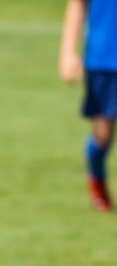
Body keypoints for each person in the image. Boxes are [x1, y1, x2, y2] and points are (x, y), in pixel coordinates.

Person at [61, 0, 116, 211]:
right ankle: (97, 175)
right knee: (103, 135)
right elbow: (77, 4)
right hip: (103, 60)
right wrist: (67, 53)